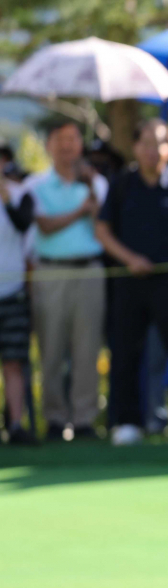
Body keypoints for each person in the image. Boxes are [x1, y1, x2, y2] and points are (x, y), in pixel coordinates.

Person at [94, 118, 168, 446]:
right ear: (135, 147)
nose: (152, 150)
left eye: (160, 143)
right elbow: (102, 231)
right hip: (129, 281)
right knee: (126, 349)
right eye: (146, 143)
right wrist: (129, 258)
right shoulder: (122, 183)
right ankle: (127, 421)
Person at [26, 117, 109, 441]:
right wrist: (79, 210)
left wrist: (89, 189)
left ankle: (85, 419)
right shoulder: (35, 185)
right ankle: (56, 419)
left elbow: (103, 225)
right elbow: (44, 225)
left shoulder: (97, 184)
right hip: (50, 271)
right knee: (51, 348)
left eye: (73, 139)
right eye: (60, 139)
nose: (67, 146)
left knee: (88, 348)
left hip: (89, 270)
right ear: (49, 145)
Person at [0, 162, 34, 443]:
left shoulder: (21, 194)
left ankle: (15, 425)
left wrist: (6, 199)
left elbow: (24, 224)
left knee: (13, 362)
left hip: (12, 293)